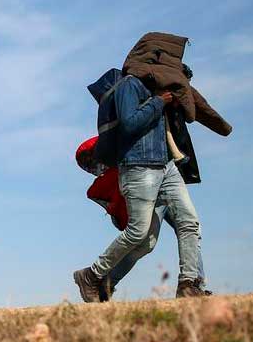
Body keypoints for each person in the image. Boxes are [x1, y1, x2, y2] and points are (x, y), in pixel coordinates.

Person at [75, 33, 231, 301]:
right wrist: (160, 102)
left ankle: (189, 284)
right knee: (140, 235)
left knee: (189, 223)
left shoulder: (156, 89)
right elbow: (130, 124)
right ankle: (92, 275)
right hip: (139, 167)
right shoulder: (129, 86)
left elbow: (196, 110)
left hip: (166, 167)